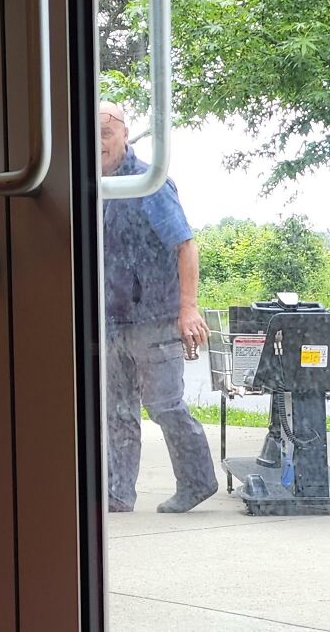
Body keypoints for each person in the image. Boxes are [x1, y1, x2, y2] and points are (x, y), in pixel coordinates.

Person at [100, 101, 218, 513]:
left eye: (106, 132)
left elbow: (185, 245)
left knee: (165, 405)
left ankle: (197, 481)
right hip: (111, 322)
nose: (98, 143)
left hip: (156, 317)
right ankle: (117, 494)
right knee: (116, 410)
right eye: (91, 134)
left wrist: (188, 309)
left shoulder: (148, 181)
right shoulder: (90, 185)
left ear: (124, 134)